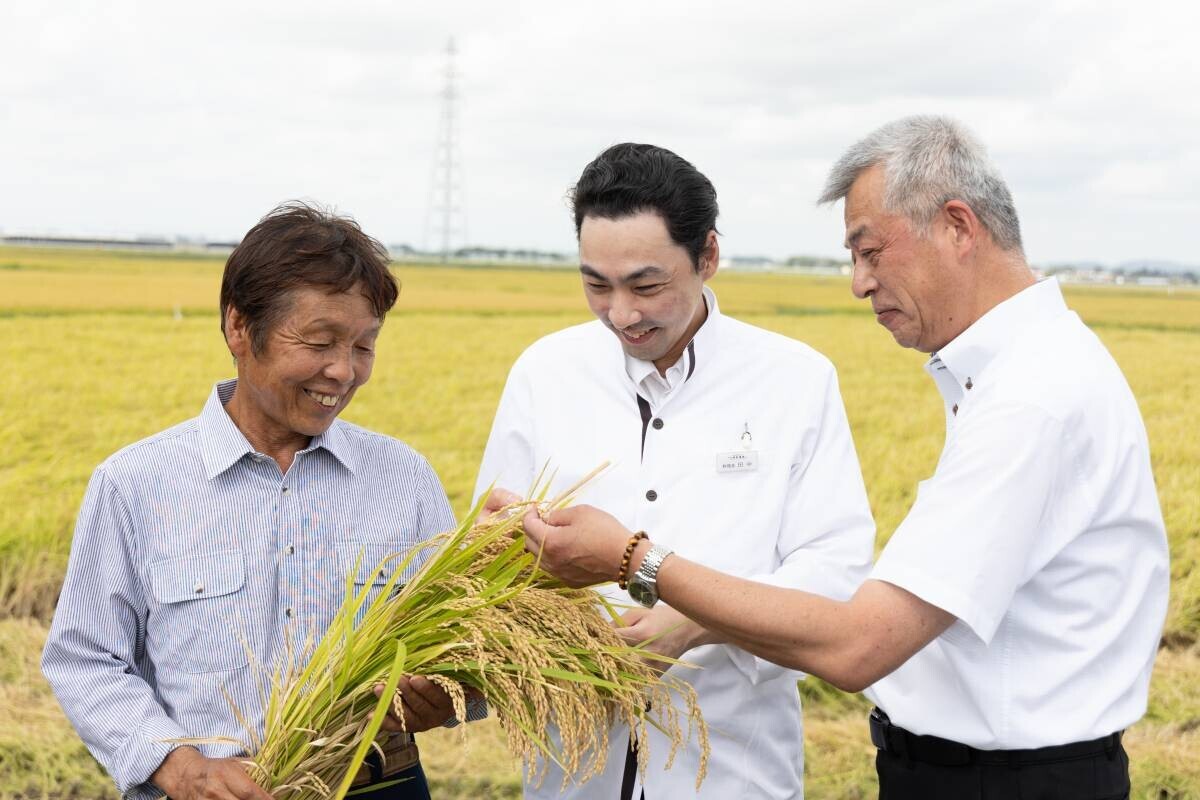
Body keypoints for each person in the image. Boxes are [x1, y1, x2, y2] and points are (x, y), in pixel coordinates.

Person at [519, 116, 1170, 800]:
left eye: (871, 251)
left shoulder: (1031, 399)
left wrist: (635, 559)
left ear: (957, 226)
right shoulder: (1026, 373)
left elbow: (860, 643)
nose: (859, 283)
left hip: (1006, 781)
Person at [476, 142, 876, 799]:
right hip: (572, 775)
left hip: (730, 775)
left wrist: (697, 619)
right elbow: (491, 548)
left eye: (646, 285)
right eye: (596, 285)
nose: (622, 314)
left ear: (708, 257)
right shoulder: (543, 373)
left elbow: (834, 576)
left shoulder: (794, 380)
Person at [43, 203, 481, 800]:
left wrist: (448, 693)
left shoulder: (404, 479)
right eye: (321, 341)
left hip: (378, 785)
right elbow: (84, 658)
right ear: (239, 328)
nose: (343, 371)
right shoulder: (134, 484)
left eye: (364, 346)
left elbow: (470, 647)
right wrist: (182, 767)